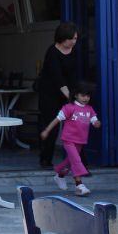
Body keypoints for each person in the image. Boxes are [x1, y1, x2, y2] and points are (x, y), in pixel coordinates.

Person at [40, 79, 101, 196]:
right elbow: (57, 119)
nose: (85, 98)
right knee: (76, 160)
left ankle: (60, 175)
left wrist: (97, 123)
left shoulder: (89, 109)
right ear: (76, 95)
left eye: (88, 96)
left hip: (80, 141)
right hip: (68, 139)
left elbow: (94, 120)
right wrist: (47, 130)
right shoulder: (69, 107)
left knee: (70, 161)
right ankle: (79, 185)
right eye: (83, 95)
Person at [37, 21, 78, 168]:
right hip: (50, 94)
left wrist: (76, 95)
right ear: (62, 38)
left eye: (75, 38)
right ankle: (45, 159)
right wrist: (70, 97)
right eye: (70, 39)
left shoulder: (74, 51)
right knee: (52, 127)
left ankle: (79, 162)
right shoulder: (52, 52)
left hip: (68, 92)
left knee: (75, 127)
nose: (73, 42)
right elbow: (57, 78)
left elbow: (73, 75)